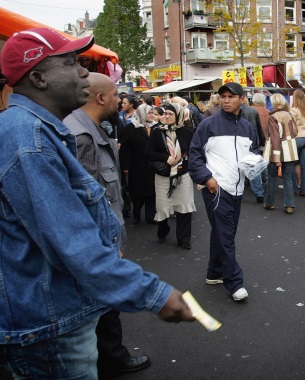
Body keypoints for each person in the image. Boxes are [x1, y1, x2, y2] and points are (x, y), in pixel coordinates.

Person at [0, 27, 193, 379]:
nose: (85, 72)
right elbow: (71, 242)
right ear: (39, 78)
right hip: (50, 331)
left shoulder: (38, 131)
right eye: (73, 63)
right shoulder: (29, 140)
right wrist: (155, 295)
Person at [64, 72, 152, 378]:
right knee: (105, 303)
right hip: (99, 242)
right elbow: (85, 201)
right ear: (101, 98)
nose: (120, 99)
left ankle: (109, 358)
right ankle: (113, 359)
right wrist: (109, 245)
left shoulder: (86, 129)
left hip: (102, 238)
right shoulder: (81, 135)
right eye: (115, 94)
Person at [189, 82, 259, 301]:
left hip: (237, 189)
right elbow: (194, 155)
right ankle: (234, 282)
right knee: (226, 235)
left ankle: (214, 272)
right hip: (217, 188)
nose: (226, 100)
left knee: (222, 232)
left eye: (231, 96)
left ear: (242, 99)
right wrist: (207, 178)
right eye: (223, 96)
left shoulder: (247, 126)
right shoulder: (208, 124)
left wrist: (254, 163)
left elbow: (254, 150)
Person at [144, 103, 196, 250]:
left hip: (182, 175)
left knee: (184, 206)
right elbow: (148, 153)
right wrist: (165, 157)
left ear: (178, 116)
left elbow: (193, 153)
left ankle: (184, 239)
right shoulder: (157, 132)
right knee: (162, 207)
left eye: (170, 114)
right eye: (165, 113)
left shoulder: (187, 132)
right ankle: (163, 230)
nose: (166, 116)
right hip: (163, 176)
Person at [120, 96, 157, 225]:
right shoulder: (130, 129)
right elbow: (125, 148)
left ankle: (150, 215)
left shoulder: (156, 128)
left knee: (152, 192)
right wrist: (125, 165)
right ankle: (136, 212)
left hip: (152, 165)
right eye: (149, 113)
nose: (152, 115)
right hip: (136, 165)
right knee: (137, 192)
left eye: (153, 112)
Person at [263, 93, 298, 213]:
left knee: (272, 178)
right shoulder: (290, 115)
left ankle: (269, 203)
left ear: (273, 103)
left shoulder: (273, 117)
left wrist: (277, 158)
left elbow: (275, 138)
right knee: (288, 178)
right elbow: (295, 132)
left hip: (275, 152)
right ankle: (289, 205)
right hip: (290, 150)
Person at [240, 98, 266, 203]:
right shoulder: (253, 111)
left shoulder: (235, 111)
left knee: (239, 167)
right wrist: (261, 142)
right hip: (253, 140)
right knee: (253, 166)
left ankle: (239, 193)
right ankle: (258, 192)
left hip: (240, 142)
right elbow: (258, 127)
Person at [290, 89, 305, 197]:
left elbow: (292, 127)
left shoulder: (293, 110)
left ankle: (294, 189)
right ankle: (304, 191)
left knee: (293, 164)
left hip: (297, 138)